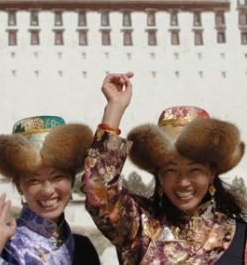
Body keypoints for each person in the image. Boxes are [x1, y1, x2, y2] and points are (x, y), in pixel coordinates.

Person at [82, 73, 247, 264]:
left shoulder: (241, 237)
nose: (183, 182)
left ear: (211, 174)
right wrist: (114, 108)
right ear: (159, 176)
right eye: (171, 170)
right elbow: (98, 191)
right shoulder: (140, 228)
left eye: (194, 170)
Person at [0, 115, 100, 265]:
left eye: (57, 177)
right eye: (34, 180)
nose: (47, 190)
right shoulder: (5, 246)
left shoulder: (83, 249)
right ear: (19, 186)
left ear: (71, 180)